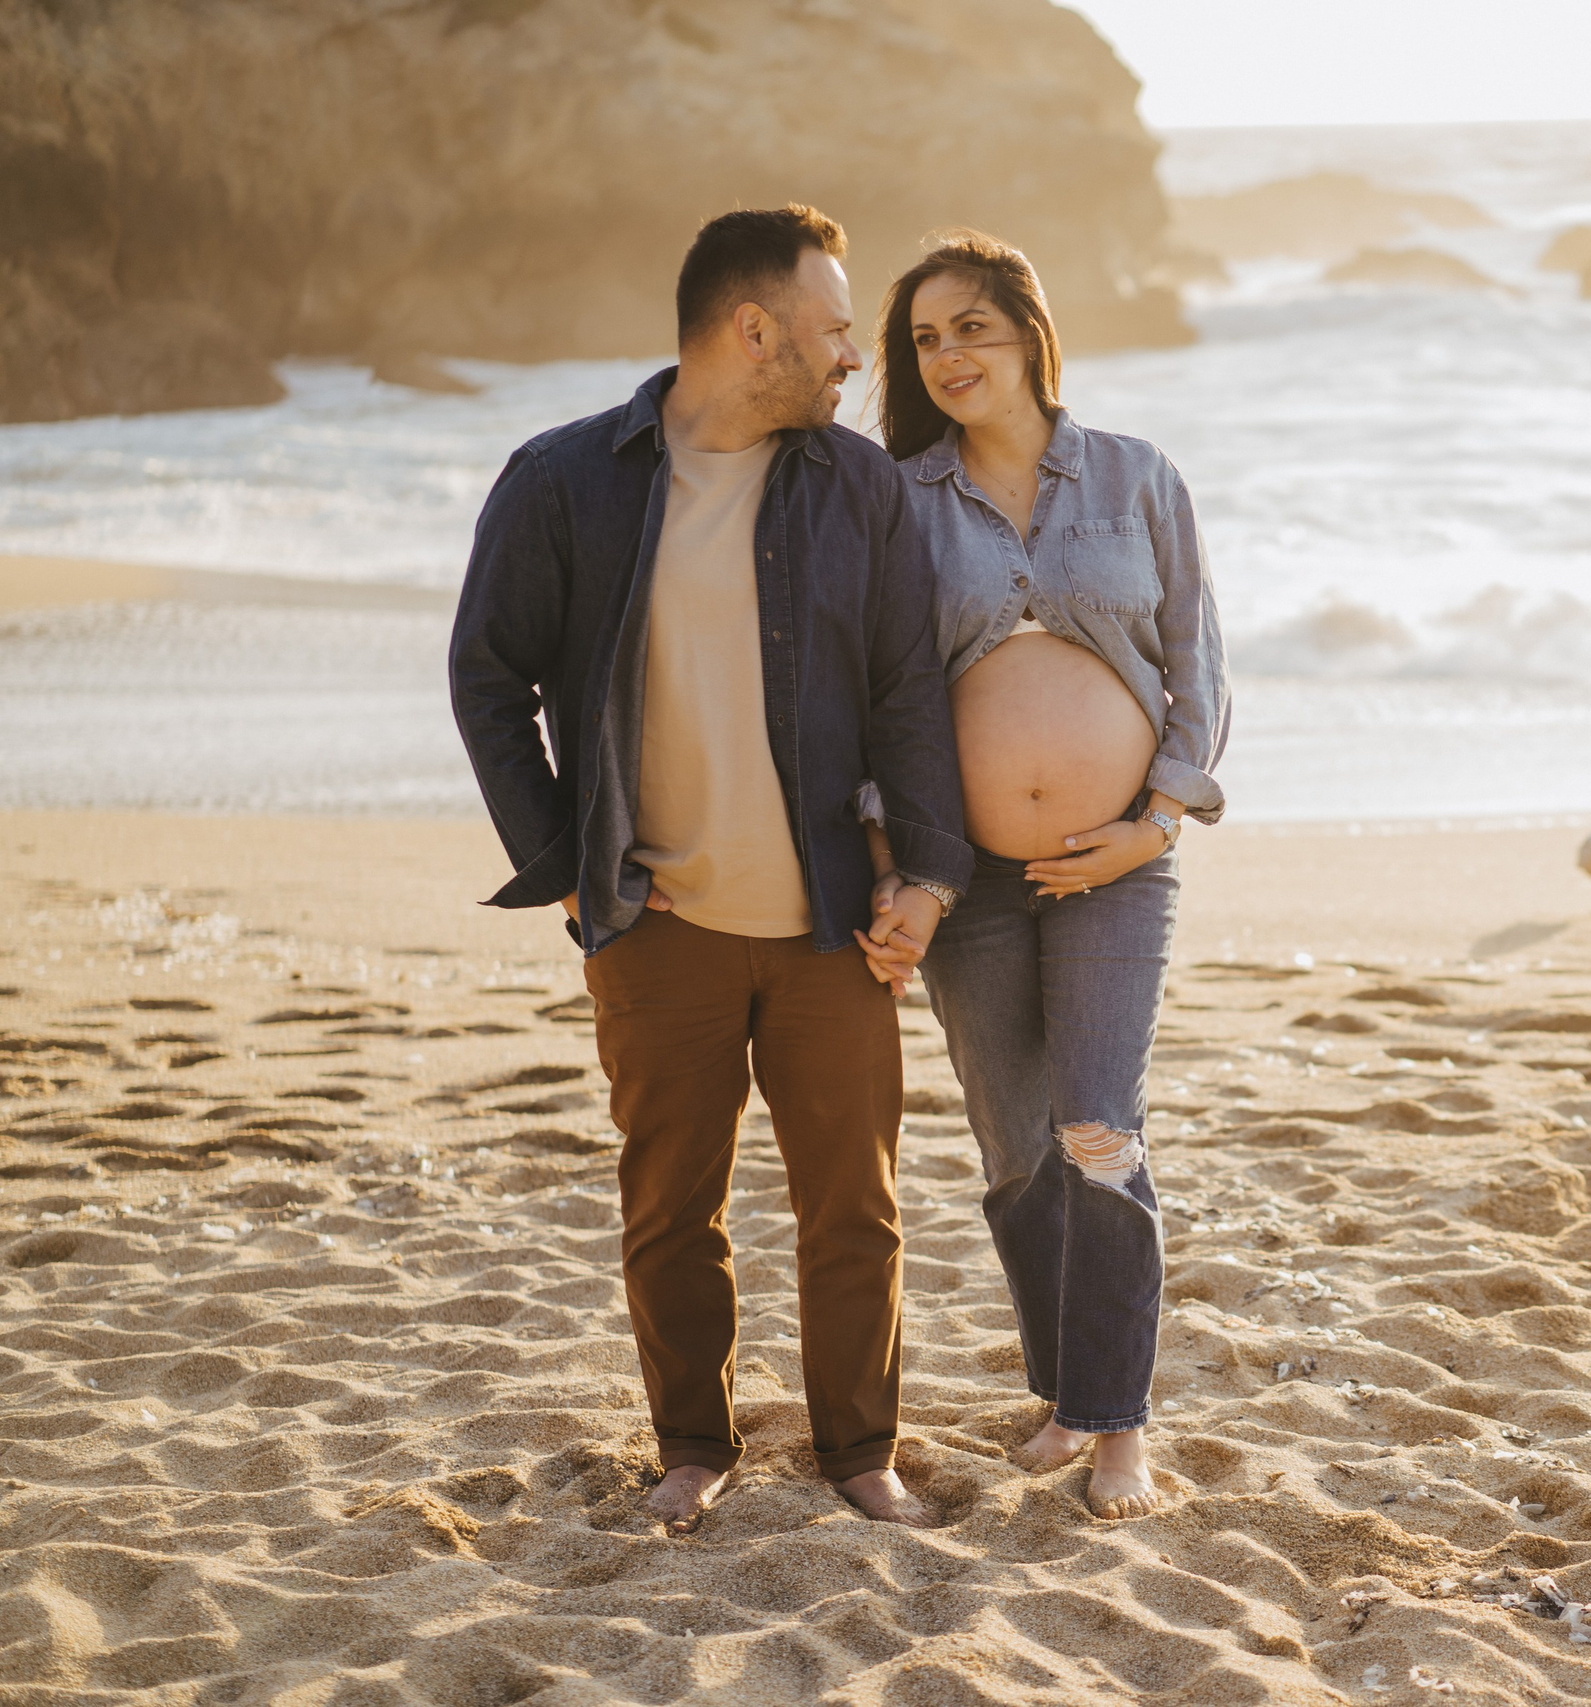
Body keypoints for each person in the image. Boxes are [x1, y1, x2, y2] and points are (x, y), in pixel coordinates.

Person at [449, 205, 970, 1534]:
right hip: (656, 924)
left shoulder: (856, 490)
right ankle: (694, 1445)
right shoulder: (565, 480)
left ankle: (862, 1453)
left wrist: (928, 875)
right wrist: (567, 861)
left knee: (854, 1207)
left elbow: (911, 693)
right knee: (671, 1210)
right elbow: (488, 673)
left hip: (834, 926)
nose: (856, 357)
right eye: (837, 329)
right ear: (756, 330)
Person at [867, 230, 1228, 1520]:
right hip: (964, 875)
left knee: (1095, 1129)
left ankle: (1118, 1422)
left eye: (973, 327)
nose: (949, 356)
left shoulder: (1134, 477)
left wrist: (1161, 818)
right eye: (924, 340)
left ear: (1029, 330)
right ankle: (1068, 1392)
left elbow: (1198, 656)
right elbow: (875, 700)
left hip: (1114, 867)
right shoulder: (898, 500)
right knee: (1017, 1148)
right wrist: (902, 857)